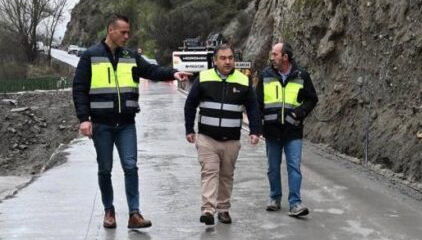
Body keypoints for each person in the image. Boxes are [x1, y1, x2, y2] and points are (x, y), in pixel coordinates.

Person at [72, 14, 191, 229]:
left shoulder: (130, 56)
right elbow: (79, 89)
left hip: (126, 123)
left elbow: (152, 70)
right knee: (105, 169)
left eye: (128, 32)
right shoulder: (91, 56)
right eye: (123, 32)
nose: (127, 36)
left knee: (130, 166)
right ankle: (109, 211)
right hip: (101, 124)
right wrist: (84, 119)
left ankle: (134, 214)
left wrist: (174, 73)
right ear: (111, 30)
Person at [184, 44, 262, 225]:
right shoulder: (203, 78)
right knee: (209, 172)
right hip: (207, 138)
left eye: (230, 58)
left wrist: (255, 130)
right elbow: (190, 104)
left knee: (226, 175)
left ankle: (224, 209)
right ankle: (208, 210)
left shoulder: (243, 80)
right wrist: (189, 129)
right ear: (215, 61)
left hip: (231, 140)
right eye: (223, 58)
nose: (228, 61)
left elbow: (252, 107)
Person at [258, 42, 318, 217]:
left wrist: (299, 114)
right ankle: (275, 198)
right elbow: (257, 102)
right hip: (272, 130)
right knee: (273, 168)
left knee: (294, 167)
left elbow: (312, 99)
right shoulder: (265, 75)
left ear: (285, 57)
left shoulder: (302, 75)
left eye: (275, 54)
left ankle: (295, 204)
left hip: (293, 131)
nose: (272, 57)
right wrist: (258, 124)